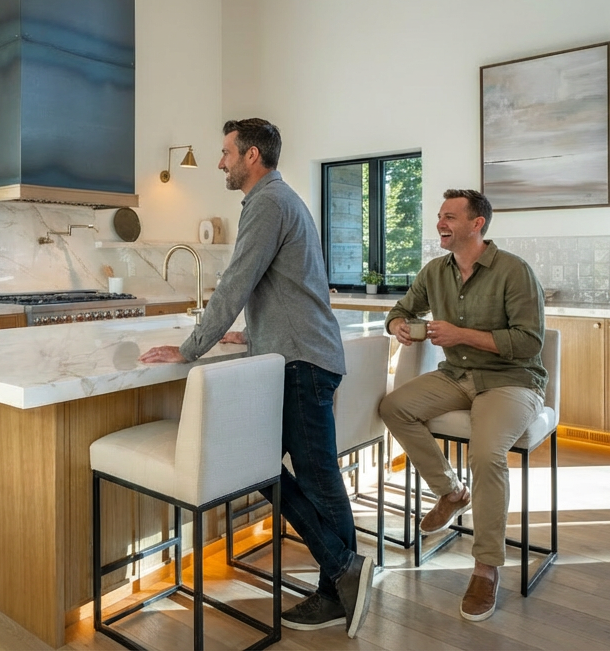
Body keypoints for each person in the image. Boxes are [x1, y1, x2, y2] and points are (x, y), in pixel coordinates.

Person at [139, 118, 374, 638]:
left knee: (295, 474)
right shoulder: (279, 199)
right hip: (301, 353)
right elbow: (283, 288)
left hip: (302, 362)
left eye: (225, 153)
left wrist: (188, 348)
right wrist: (252, 336)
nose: (220, 163)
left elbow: (235, 284)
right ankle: (342, 581)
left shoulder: (267, 202)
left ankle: (343, 576)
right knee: (296, 472)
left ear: (251, 156)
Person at [379, 188, 546, 622]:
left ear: (478, 224)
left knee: (487, 454)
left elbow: (529, 341)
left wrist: (461, 335)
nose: (440, 223)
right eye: (439, 216)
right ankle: (452, 493)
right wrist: (398, 322)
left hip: (510, 381)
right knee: (394, 407)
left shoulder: (514, 271)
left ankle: (486, 568)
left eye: (450, 216)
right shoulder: (435, 271)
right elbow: (400, 308)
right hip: (456, 376)